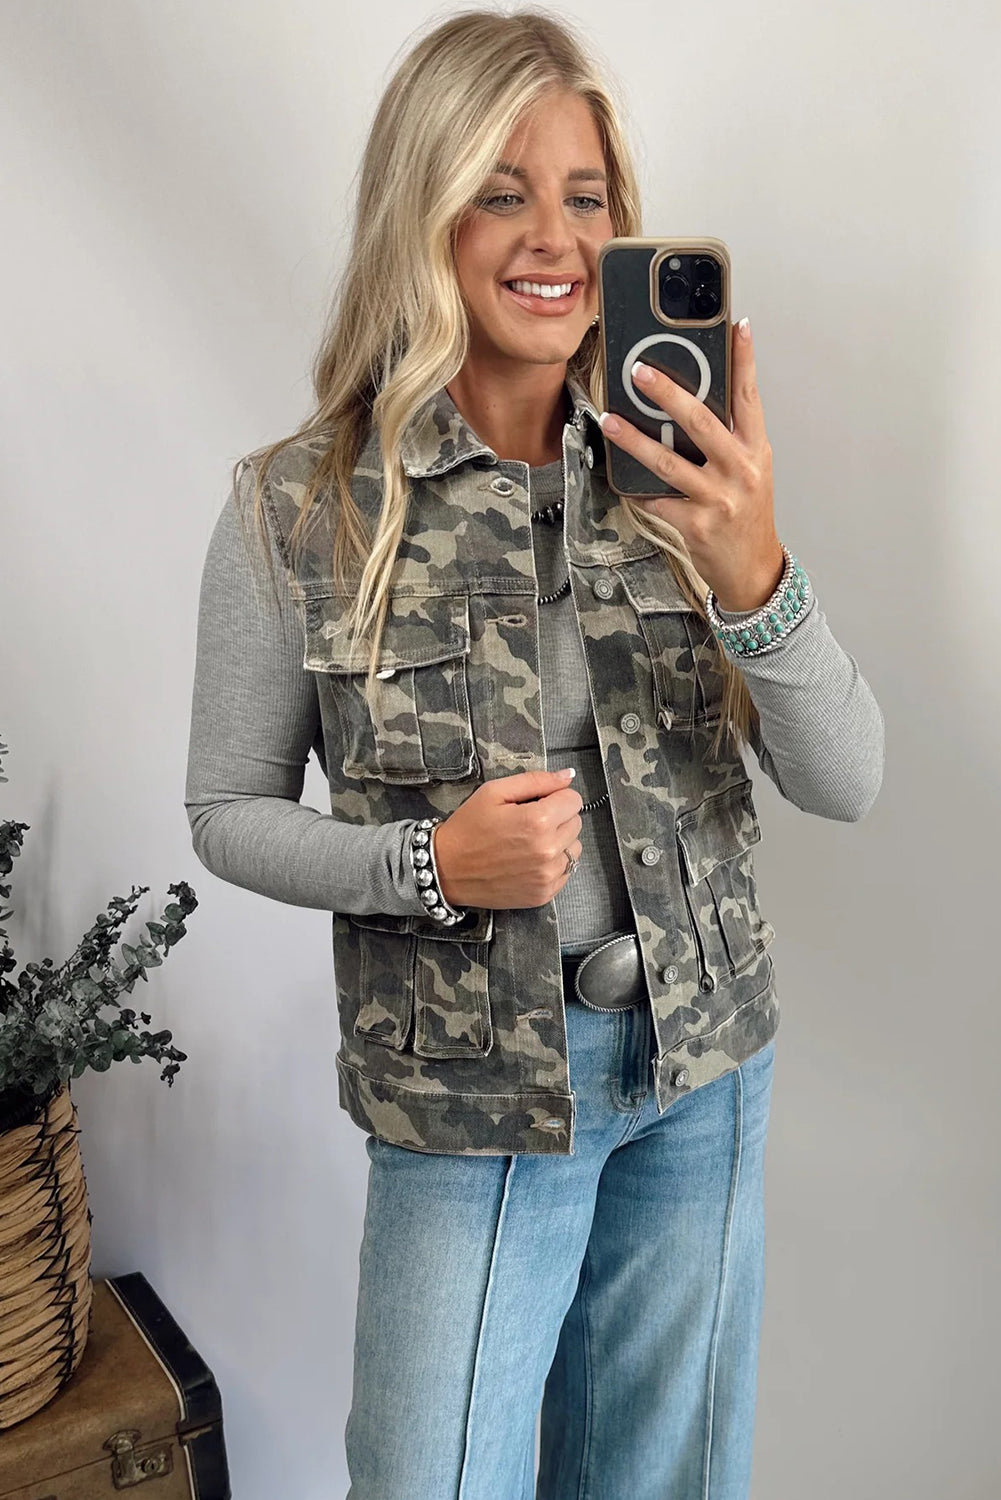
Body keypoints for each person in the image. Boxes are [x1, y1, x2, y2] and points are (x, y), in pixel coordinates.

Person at [185, 9, 884, 1497]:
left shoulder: (683, 477)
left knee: (662, 1481)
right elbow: (226, 811)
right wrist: (429, 864)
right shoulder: (298, 508)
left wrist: (756, 572)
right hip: (470, 1102)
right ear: (422, 210)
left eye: (585, 194)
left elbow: (848, 778)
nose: (552, 236)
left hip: (702, 1070)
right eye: (500, 192)